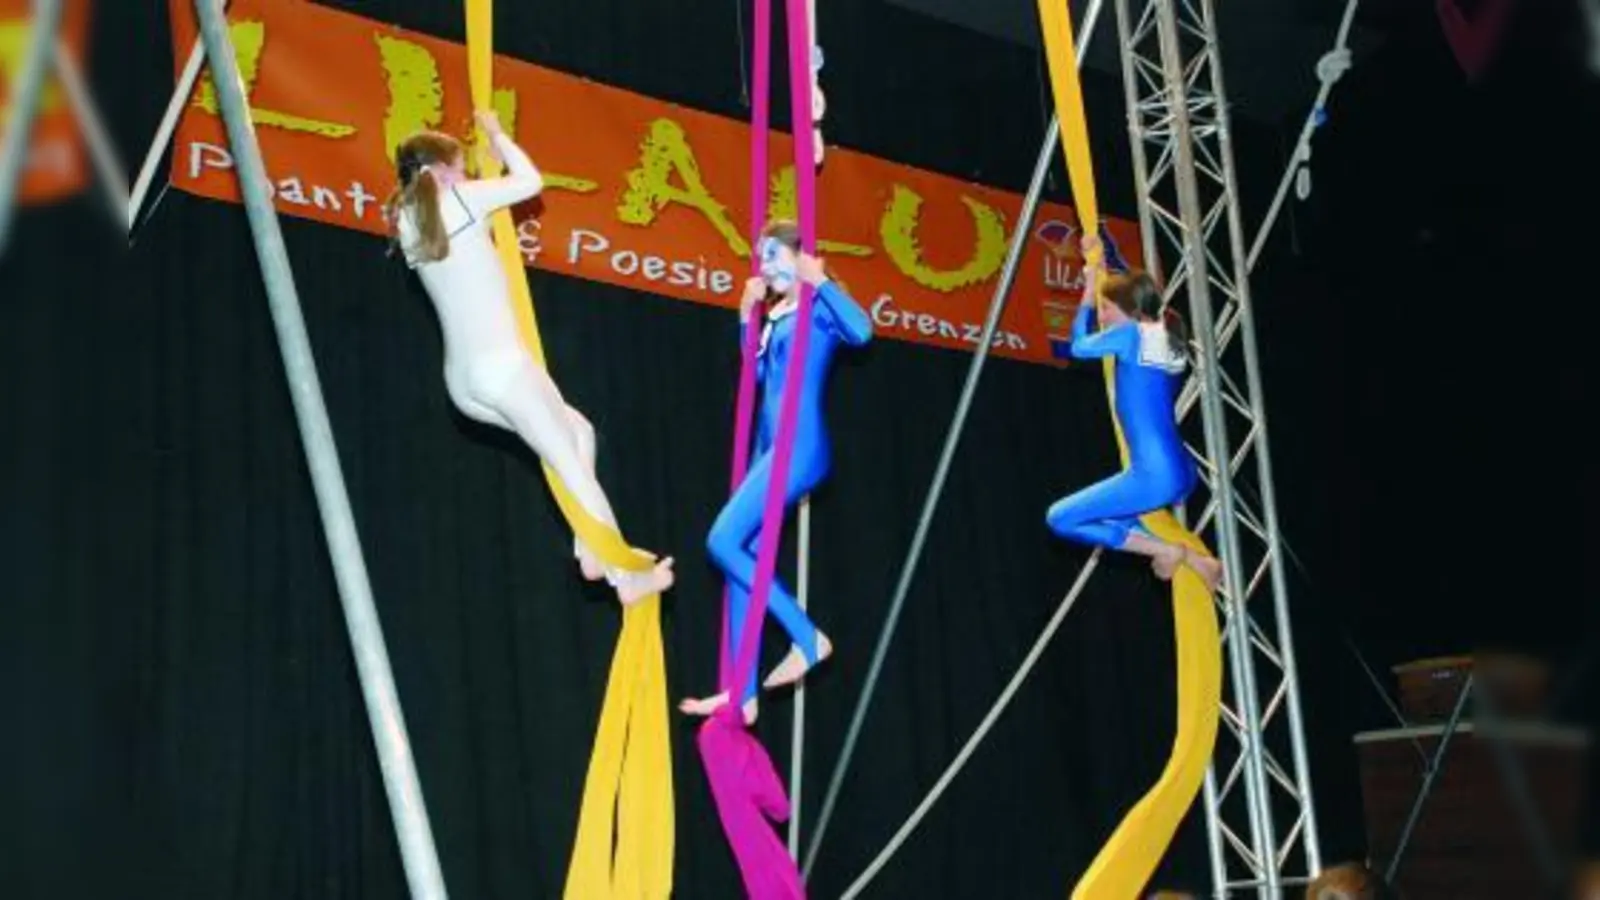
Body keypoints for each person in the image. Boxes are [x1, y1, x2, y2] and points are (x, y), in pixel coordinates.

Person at [383, 110, 674, 605]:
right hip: (503, 370)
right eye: (463, 166)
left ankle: (590, 548)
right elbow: (531, 183)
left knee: (578, 434)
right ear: (442, 170)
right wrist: (498, 136)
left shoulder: (408, 218)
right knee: (570, 463)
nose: (470, 175)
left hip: (465, 382)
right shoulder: (458, 199)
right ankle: (625, 578)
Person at [680, 220, 872, 723]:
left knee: (721, 540)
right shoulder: (779, 313)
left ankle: (807, 637)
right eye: (760, 257)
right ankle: (742, 695)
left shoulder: (817, 304)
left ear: (799, 255)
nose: (764, 266)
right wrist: (747, 316)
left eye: (772, 255)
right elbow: (757, 376)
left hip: (798, 445)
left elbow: (864, 332)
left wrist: (820, 279)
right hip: (770, 450)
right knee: (739, 554)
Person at [1045, 237, 1222, 591]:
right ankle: (1184, 558)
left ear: (1125, 309)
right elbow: (1130, 288)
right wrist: (1098, 259)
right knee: (1118, 522)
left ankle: (1172, 552)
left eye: (1106, 309)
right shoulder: (1170, 341)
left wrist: (1089, 289)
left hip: (1155, 476)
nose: (1103, 316)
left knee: (1060, 518)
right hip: (1184, 473)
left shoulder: (1130, 336)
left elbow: (1078, 346)